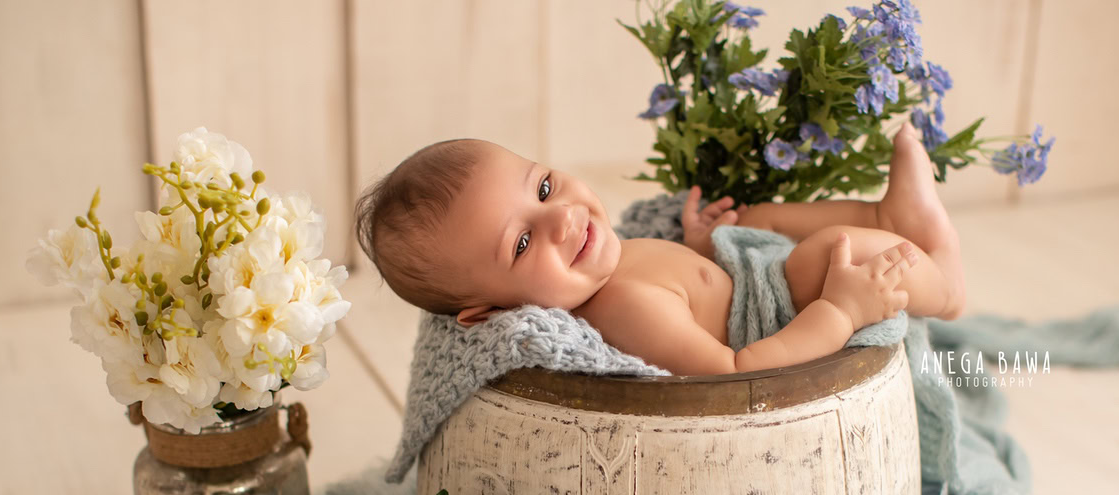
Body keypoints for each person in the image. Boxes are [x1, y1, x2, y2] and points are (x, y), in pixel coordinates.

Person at [354, 124, 965, 375]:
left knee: (758, 216)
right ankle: (944, 283)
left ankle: (890, 215)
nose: (563, 219)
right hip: (772, 316)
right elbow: (734, 373)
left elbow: (683, 282)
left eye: (543, 188)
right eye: (520, 242)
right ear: (488, 311)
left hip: (742, 271)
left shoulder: (595, 268)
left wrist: (697, 243)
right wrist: (843, 312)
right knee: (834, 253)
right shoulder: (618, 310)